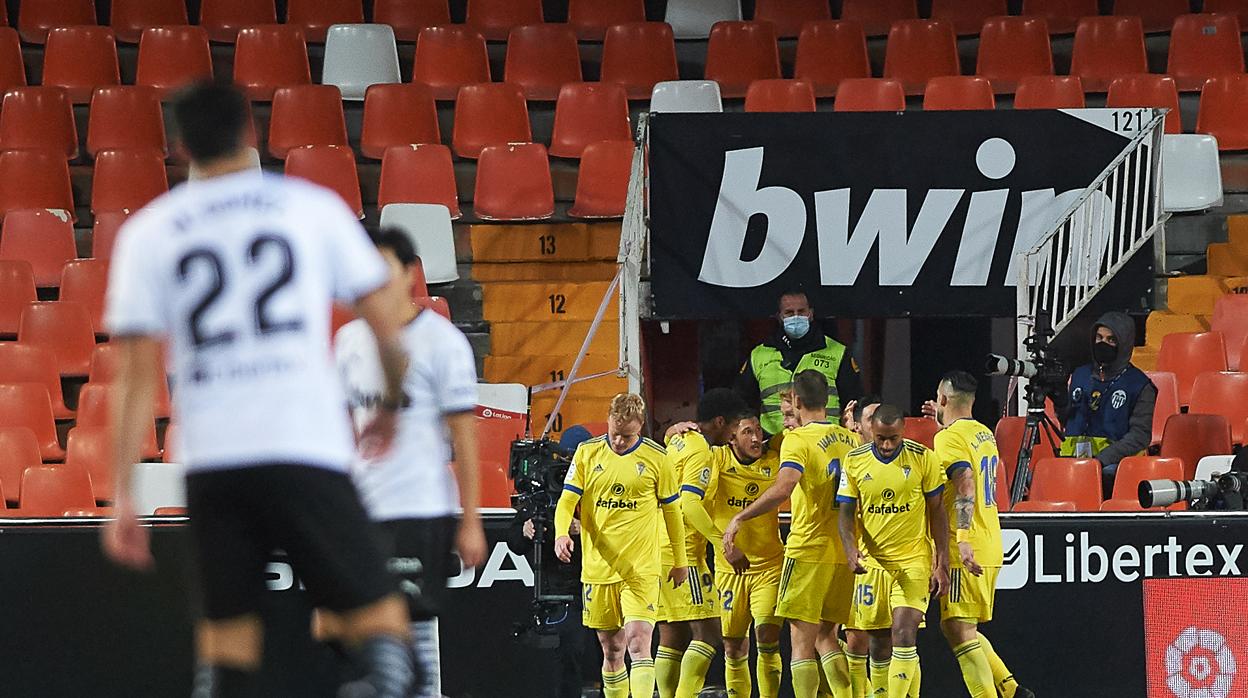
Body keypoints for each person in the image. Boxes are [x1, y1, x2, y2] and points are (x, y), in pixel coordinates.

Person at [101, 82, 416, 697]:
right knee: (381, 620)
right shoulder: (309, 207)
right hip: (304, 444)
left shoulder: (151, 233)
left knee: (227, 643)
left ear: (181, 145)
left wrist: (122, 494)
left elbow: (135, 380)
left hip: (214, 457)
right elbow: (388, 331)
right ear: (250, 130)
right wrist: (389, 409)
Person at [333, 227, 488, 697]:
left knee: (412, 625)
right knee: (366, 634)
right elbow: (343, 429)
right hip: (363, 512)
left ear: (409, 273)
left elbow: (465, 437)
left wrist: (471, 520)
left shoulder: (443, 343)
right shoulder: (347, 341)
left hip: (418, 507)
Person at [725, 370, 859, 698]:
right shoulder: (850, 439)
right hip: (842, 552)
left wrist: (741, 516)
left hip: (808, 550)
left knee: (801, 645)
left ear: (797, 401)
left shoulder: (799, 440)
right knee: (827, 636)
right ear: (826, 400)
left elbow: (784, 486)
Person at [554, 394, 690, 698]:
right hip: (599, 568)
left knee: (639, 643)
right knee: (612, 649)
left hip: (641, 569)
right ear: (608, 421)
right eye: (614, 432)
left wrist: (680, 560)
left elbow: (673, 513)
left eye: (626, 435)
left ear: (640, 426)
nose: (618, 441)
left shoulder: (657, 458)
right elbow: (566, 501)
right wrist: (561, 533)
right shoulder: (587, 453)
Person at [837, 405, 950, 698]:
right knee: (878, 641)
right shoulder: (853, 461)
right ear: (870, 431)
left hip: (913, 559)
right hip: (872, 562)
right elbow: (846, 513)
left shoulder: (924, 458)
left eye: (893, 439)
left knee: (904, 632)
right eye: (880, 439)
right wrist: (850, 550)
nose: (887, 446)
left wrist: (942, 563)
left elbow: (938, 511)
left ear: (903, 432)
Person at [932, 372, 1034, 698]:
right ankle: (1011, 688)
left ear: (944, 399)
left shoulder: (948, 438)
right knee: (960, 627)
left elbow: (964, 482)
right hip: (991, 540)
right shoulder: (983, 433)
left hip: (968, 544)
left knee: (960, 630)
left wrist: (961, 537)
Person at [677, 413, 785, 698]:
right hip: (729, 570)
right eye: (747, 432)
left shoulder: (774, 459)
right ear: (731, 438)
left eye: (758, 431)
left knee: (767, 637)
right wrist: (674, 430)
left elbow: (799, 431)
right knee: (733, 646)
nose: (755, 438)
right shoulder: (717, 459)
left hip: (770, 567)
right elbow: (679, 448)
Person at [658, 388, 748, 698]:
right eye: (736, 425)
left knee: (672, 635)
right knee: (710, 633)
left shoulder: (680, 439)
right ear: (721, 422)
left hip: (661, 546)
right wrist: (722, 541)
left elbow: (669, 440)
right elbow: (689, 504)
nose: (737, 432)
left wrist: (672, 429)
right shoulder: (701, 452)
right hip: (685, 554)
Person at [737, 289, 864, 435]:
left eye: (801, 311)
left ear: (811, 313)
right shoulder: (759, 355)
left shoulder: (838, 353)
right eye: (789, 313)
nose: (796, 317)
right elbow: (741, 405)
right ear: (779, 317)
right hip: (773, 448)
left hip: (824, 444)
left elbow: (855, 403)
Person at [1060, 311, 1157, 494]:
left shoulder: (1139, 385)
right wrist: (1058, 398)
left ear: (1124, 343)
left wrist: (1100, 460)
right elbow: (1067, 420)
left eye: (1111, 340)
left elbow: (1140, 436)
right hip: (1073, 461)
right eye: (1099, 338)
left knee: (1106, 475)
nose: (1103, 344)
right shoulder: (1080, 375)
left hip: (1113, 465)